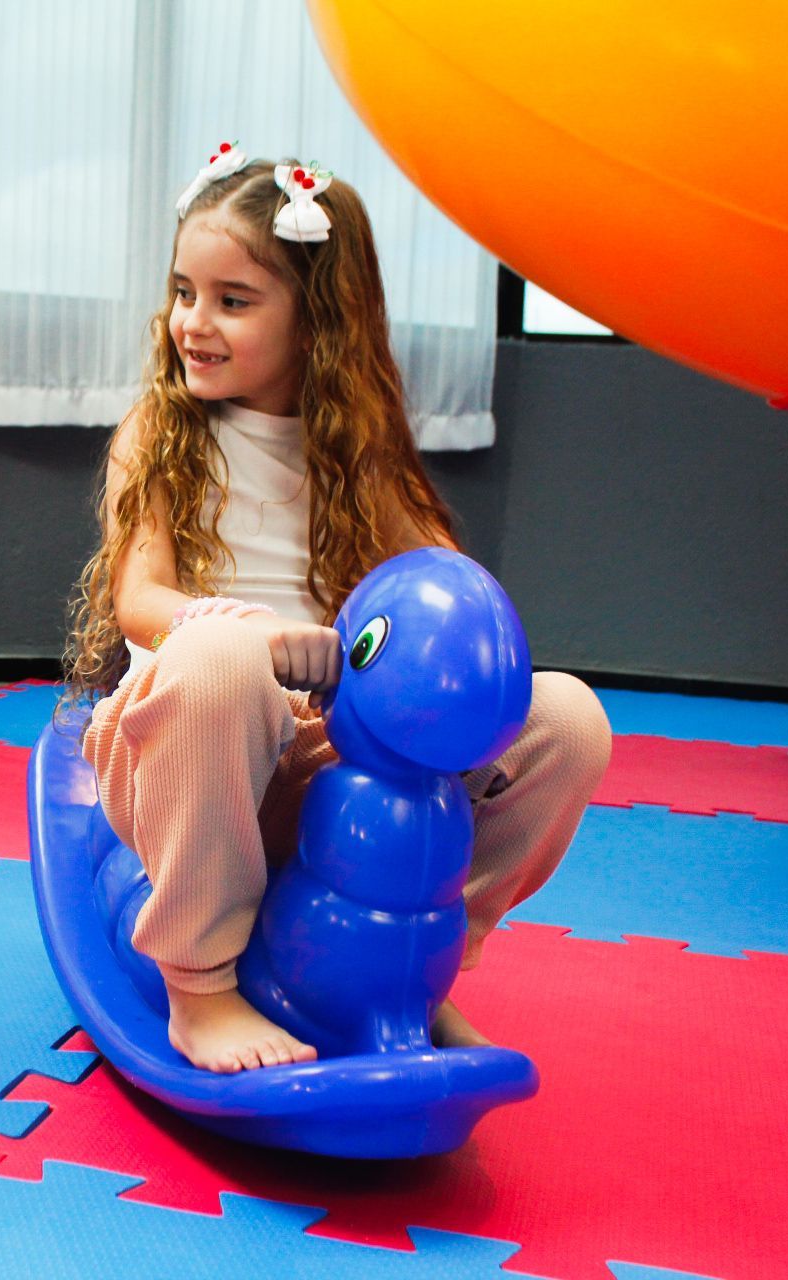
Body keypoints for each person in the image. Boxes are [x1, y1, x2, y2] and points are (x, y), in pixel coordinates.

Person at [63, 147, 612, 1074]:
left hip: (328, 767)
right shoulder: (159, 433)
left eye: (232, 301)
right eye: (183, 292)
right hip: (189, 743)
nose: (192, 323)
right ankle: (202, 988)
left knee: (567, 721)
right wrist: (252, 637)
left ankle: (413, 972)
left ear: (319, 322)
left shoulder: (360, 456)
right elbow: (141, 599)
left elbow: (436, 592)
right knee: (219, 662)